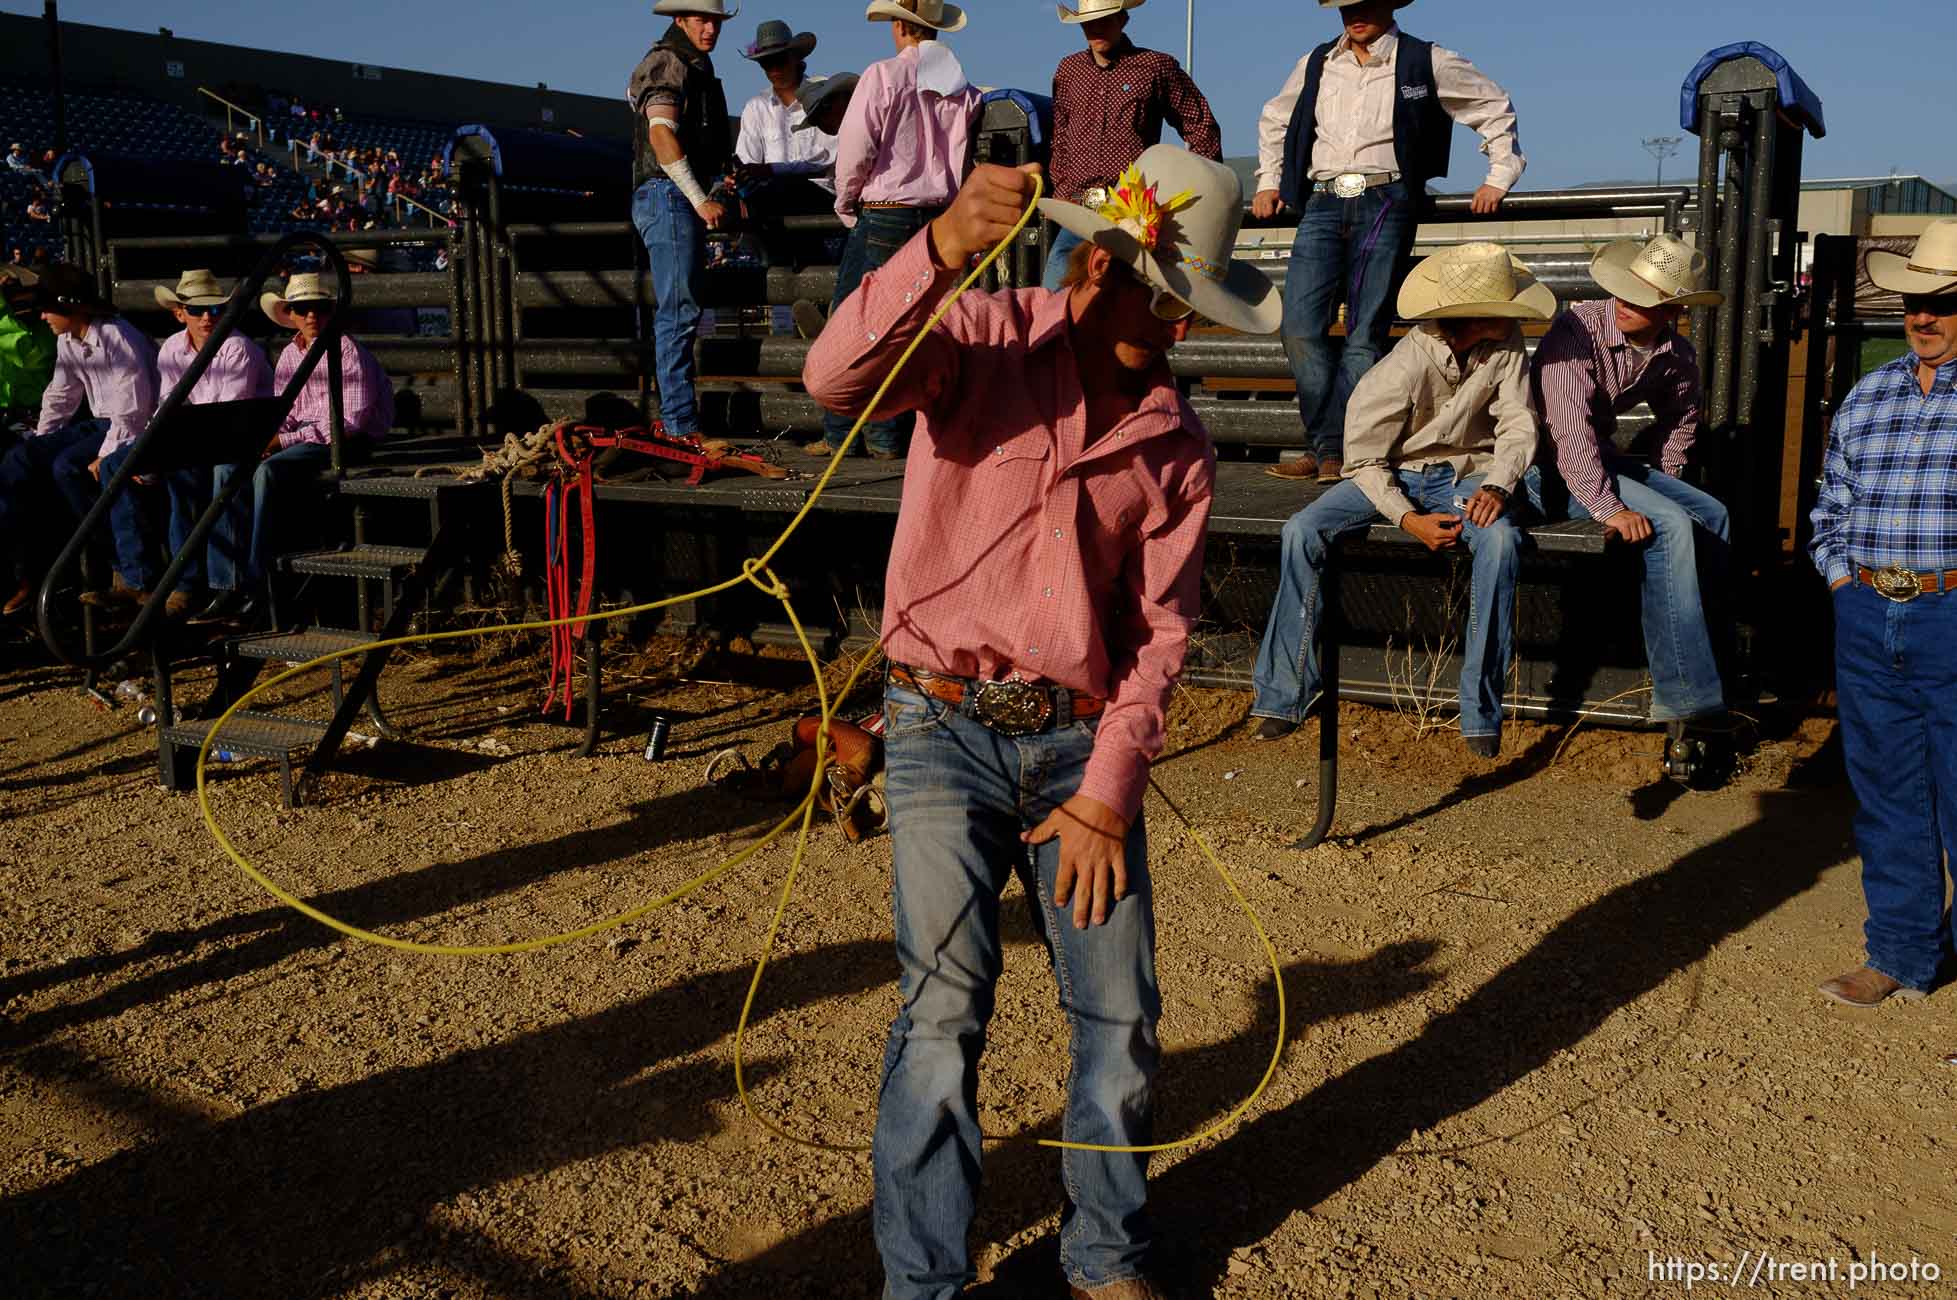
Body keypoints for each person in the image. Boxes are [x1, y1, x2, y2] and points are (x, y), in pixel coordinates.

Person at [806, 143, 1279, 1300]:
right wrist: (943, 246)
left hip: (1075, 739)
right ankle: (922, 1283)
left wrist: (1109, 788)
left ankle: (1105, 1253)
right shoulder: (975, 335)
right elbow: (834, 379)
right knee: (944, 1005)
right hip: (936, 722)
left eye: (1182, 305)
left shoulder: (1176, 444)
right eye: (1158, 292)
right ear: (1095, 263)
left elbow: (1161, 633)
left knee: (1119, 1009)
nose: (1169, 322)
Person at [1249, 242, 1547, 754]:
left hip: (1469, 474)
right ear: (1471, 317)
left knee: (1500, 541)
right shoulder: (1403, 366)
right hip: (1395, 476)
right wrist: (1409, 520)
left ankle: (1479, 713)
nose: (1511, 316)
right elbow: (1363, 461)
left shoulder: (1506, 343)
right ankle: (1284, 694)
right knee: (1302, 528)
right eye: (1501, 308)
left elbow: (1518, 420)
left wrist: (1500, 482)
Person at [1254, 0, 1524, 485]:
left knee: (1364, 334)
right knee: (1297, 327)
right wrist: (1268, 181)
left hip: (1386, 195)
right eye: (1346, 6)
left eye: (1366, 3)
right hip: (1322, 199)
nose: (1355, 14)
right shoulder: (1317, 61)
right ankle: (1327, 445)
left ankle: (1338, 450)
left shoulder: (1425, 58)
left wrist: (1498, 176)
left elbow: (1492, 104)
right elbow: (1276, 119)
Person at [1809, 218, 1957, 1008]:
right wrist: (1842, 582)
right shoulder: (1870, 395)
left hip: (1950, 612)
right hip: (1870, 613)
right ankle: (1899, 954)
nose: (1922, 318)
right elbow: (1829, 503)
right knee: (1889, 796)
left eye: (1943, 303)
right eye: (1912, 304)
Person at [1529, 233, 1731, 728]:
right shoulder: (1576, 330)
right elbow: (1569, 431)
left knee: (1712, 513)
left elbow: (1682, 416)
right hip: (1542, 465)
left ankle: (1707, 652)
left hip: (1597, 456)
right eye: (1624, 288)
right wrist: (1612, 507)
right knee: (1667, 523)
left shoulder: (1675, 352)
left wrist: (1663, 475)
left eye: (1642, 297)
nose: (1624, 302)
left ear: (1671, 309)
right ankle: (1685, 695)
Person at [812, 0, 983, 460]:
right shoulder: (965, 92)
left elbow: (855, 148)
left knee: (856, 319)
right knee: (914, 325)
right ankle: (888, 434)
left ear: (899, 26)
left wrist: (847, 202)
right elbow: (965, 162)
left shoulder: (884, 75)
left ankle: (842, 433)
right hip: (938, 218)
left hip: (886, 211)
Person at [201, 273, 392, 621]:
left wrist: (280, 440)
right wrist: (269, 438)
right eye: (302, 309)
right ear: (291, 313)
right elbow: (285, 410)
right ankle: (226, 584)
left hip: (345, 442)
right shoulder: (290, 354)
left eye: (317, 309)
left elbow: (349, 424)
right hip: (310, 437)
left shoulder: (348, 352)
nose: (310, 316)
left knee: (267, 472)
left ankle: (257, 581)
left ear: (329, 311)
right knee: (226, 468)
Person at [0, 264, 158, 613]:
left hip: (132, 425)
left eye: (47, 308)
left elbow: (133, 408)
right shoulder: (69, 340)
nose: (42, 316)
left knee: (68, 468)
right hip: (102, 423)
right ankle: (26, 570)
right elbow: (61, 394)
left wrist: (107, 453)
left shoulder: (117, 337)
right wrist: (40, 442)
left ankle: (123, 567)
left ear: (70, 307)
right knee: (20, 459)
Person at [1042, 0, 1222, 290]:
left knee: (1121, 299)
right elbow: (1060, 136)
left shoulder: (1155, 67)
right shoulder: (1069, 71)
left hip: (1132, 209)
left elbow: (1199, 124)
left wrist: (1204, 191)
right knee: (1055, 294)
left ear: (1122, 20)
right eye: (1088, 22)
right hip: (1081, 205)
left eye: (1104, 20)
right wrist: (1061, 192)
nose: (1095, 28)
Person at [627, 0, 734, 440]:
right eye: (701, 20)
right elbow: (661, 133)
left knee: (680, 310)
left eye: (715, 20)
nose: (710, 28)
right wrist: (699, 198)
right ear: (680, 20)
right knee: (678, 311)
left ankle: (679, 422)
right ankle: (680, 426)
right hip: (668, 194)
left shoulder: (687, 64)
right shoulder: (669, 61)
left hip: (669, 195)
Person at [152, 269, 274, 620]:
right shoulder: (173, 348)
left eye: (215, 309)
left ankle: (224, 585)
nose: (207, 317)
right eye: (197, 310)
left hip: (241, 438)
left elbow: (230, 416)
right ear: (180, 313)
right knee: (176, 474)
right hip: (205, 437)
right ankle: (183, 582)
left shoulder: (238, 348)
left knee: (223, 472)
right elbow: (169, 403)